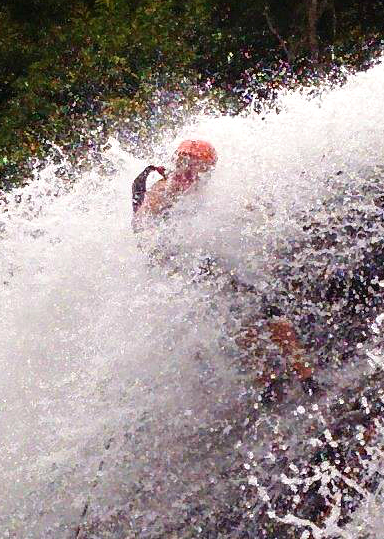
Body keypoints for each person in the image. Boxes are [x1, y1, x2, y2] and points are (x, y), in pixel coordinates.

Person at [132, 139, 317, 401]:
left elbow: (243, 209)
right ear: (178, 164)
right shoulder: (163, 191)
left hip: (215, 263)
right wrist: (161, 250)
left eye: (199, 168)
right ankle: (268, 383)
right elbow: (143, 227)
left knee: (270, 315)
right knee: (241, 320)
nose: (191, 174)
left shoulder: (209, 191)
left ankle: (305, 378)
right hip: (191, 268)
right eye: (186, 166)